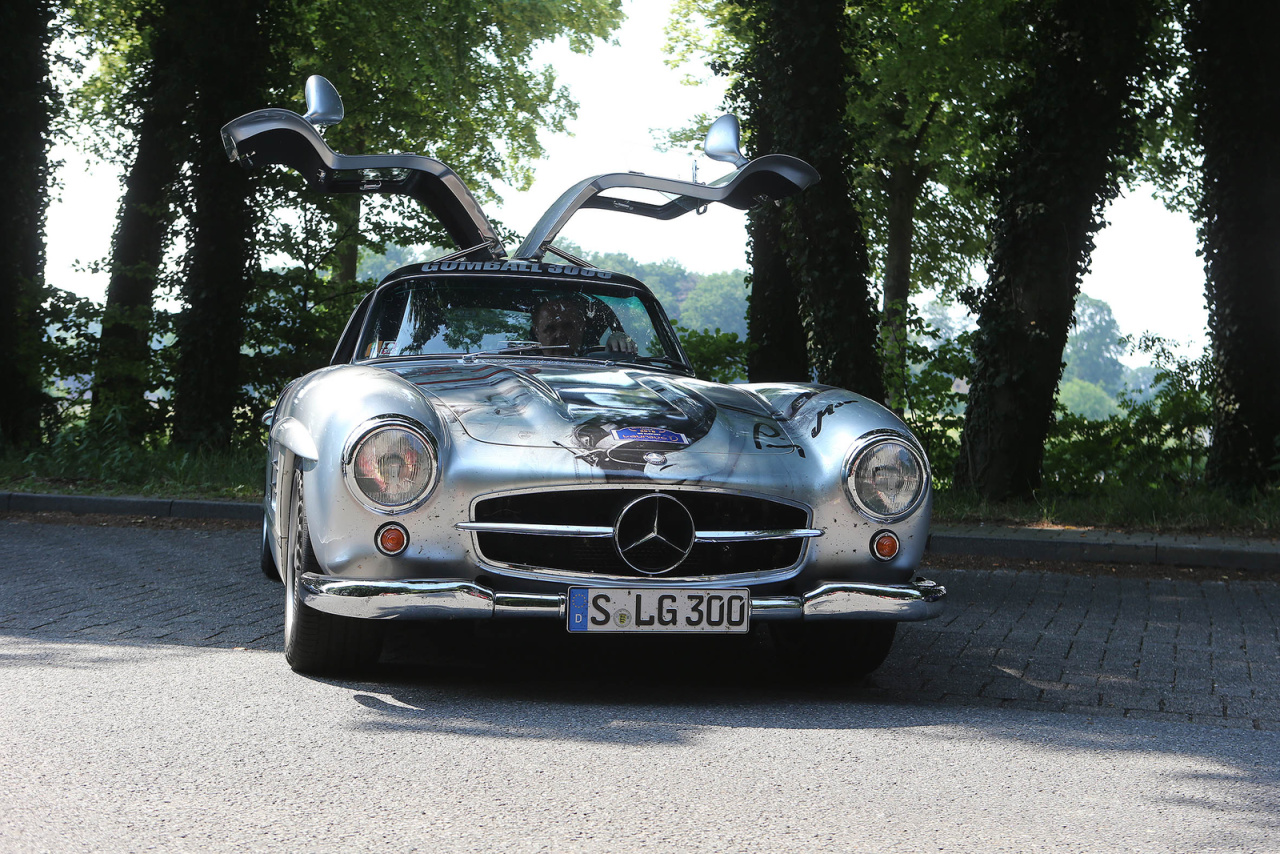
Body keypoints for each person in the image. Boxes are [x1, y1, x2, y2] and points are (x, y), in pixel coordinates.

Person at [531, 297, 636, 356]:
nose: (560, 335)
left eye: (568, 327)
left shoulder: (601, 365)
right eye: (550, 329)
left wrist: (620, 343)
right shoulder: (522, 364)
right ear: (536, 332)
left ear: (581, 329)